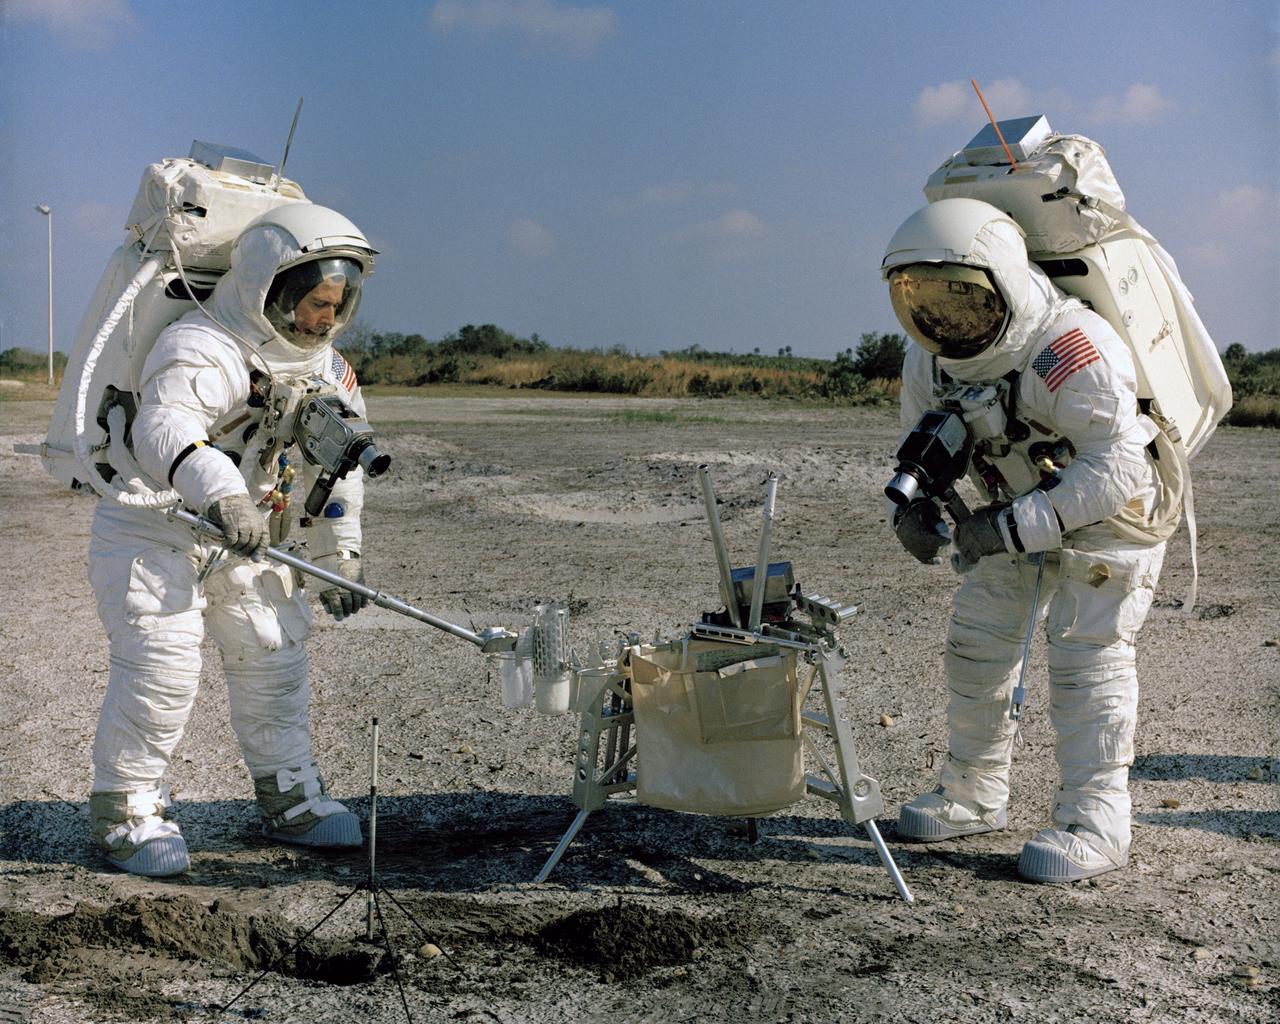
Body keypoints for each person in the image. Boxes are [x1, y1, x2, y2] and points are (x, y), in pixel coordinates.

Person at [881, 197, 1177, 883]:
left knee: (1086, 658)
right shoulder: (931, 362)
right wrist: (913, 506)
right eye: (920, 297)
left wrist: (1010, 526)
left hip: (1115, 513)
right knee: (978, 643)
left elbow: (1118, 466)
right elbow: (925, 441)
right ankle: (972, 792)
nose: (945, 318)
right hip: (1011, 506)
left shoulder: (1072, 349)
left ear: (1005, 283)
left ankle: (1095, 822)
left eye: (963, 298)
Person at [87, 203, 378, 876]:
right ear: (266, 289)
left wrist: (341, 557)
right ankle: (128, 808)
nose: (322, 319)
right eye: (311, 303)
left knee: (274, 651)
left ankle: (289, 796)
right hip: (155, 522)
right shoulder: (202, 344)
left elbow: (341, 465)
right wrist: (220, 493)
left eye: (335, 305)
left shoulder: (325, 369)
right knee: (163, 665)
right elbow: (163, 427)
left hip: (245, 531)